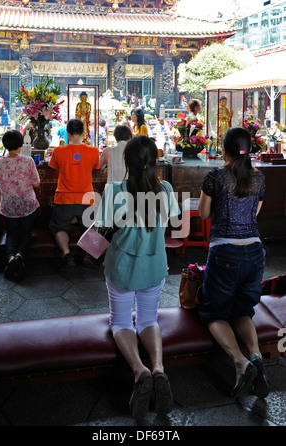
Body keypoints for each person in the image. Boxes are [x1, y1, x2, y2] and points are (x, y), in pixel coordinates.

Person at [96, 135, 180, 419]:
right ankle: (158, 367)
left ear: (125, 162)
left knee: (119, 320)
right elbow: (171, 222)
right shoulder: (166, 189)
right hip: (154, 266)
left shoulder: (114, 191)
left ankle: (139, 370)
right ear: (155, 162)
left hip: (121, 267)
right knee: (148, 318)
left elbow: (103, 226)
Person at [198, 126, 269, 399]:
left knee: (214, 313)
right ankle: (256, 356)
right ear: (248, 149)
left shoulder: (215, 176)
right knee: (243, 310)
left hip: (225, 252)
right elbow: (255, 213)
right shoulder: (259, 178)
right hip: (254, 251)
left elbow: (204, 213)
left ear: (224, 150)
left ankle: (240, 363)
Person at [49, 119, 100, 270]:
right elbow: (95, 168)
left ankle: (66, 254)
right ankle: (88, 255)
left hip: (64, 197)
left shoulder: (58, 151)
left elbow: (54, 168)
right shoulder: (94, 151)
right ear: (84, 134)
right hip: (86, 198)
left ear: (68, 134)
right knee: (90, 227)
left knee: (59, 226)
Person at [0, 130, 40, 281]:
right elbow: (36, 183)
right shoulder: (28, 161)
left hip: (8, 205)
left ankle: (11, 258)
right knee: (26, 233)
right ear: (21, 144)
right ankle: (20, 257)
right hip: (27, 204)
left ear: (5, 145)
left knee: (11, 234)